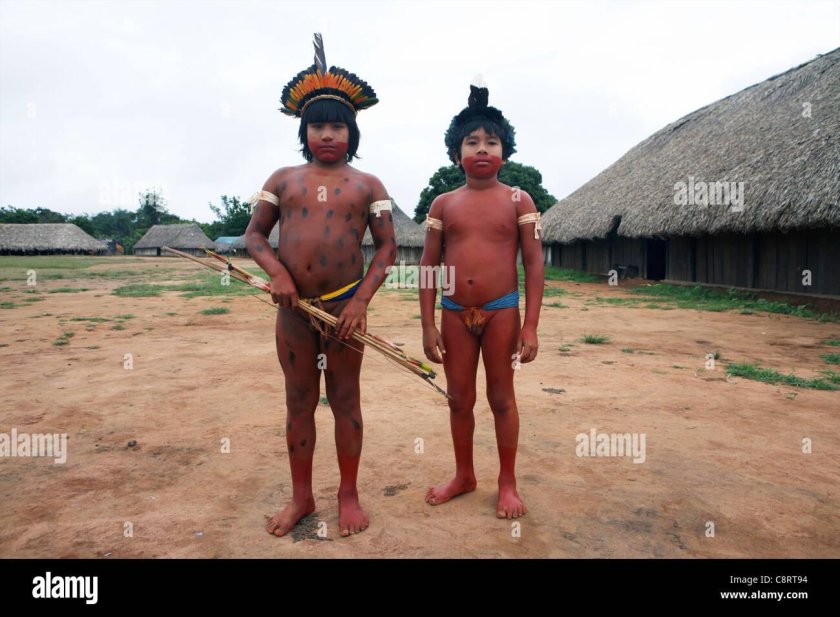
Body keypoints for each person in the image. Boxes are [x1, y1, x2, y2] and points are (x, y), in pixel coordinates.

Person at [245, 34, 396, 537]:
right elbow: (254, 237)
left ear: (352, 132)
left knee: (347, 401)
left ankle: (348, 496)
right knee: (299, 402)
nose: (327, 134)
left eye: (337, 126)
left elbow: (388, 250)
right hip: (294, 314)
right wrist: (280, 275)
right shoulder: (284, 179)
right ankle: (302, 497)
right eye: (317, 126)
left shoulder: (367, 185)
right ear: (303, 130)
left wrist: (360, 301)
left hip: (344, 313)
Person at [419, 82, 544, 518]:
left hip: (502, 312)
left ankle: (506, 483)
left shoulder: (518, 199)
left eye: (491, 141)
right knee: (458, 399)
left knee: (502, 397)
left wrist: (529, 325)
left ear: (504, 152)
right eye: (472, 142)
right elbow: (429, 267)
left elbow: (534, 264)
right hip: (453, 314)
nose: (482, 148)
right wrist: (428, 324)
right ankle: (464, 474)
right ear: (457, 155)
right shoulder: (442, 204)